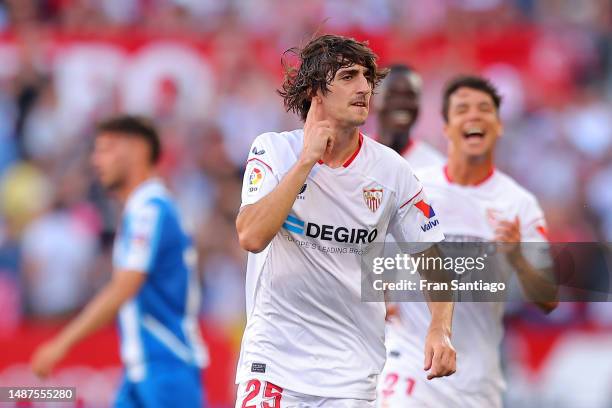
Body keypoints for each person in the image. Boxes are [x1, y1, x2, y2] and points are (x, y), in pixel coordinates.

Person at [234, 34, 455, 407]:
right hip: (273, 365)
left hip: (350, 377)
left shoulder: (391, 170)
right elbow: (252, 235)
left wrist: (440, 329)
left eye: (368, 78)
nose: (365, 87)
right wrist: (306, 162)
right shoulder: (274, 150)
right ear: (315, 89)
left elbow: (433, 257)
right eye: (349, 76)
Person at [377, 75, 558, 407]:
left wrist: (517, 257)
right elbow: (373, 250)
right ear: (446, 127)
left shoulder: (519, 203)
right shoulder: (416, 188)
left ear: (499, 126)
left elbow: (547, 298)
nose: (474, 116)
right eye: (462, 109)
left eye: (484, 109)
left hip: (476, 381)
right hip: (408, 363)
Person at [31, 115, 207, 408]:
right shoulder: (143, 210)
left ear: (138, 150)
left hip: (166, 367)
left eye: (106, 148)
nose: (96, 160)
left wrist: (61, 344)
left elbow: (123, 287)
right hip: (141, 370)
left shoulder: (149, 211)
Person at [376, 64, 444, 169]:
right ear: (375, 100)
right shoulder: (355, 156)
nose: (401, 103)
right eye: (392, 95)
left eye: (410, 95)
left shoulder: (435, 167)